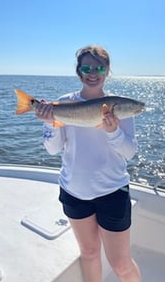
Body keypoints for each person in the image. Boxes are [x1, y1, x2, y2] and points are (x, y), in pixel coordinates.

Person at [35, 45, 141, 282]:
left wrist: (113, 132)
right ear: (79, 70)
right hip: (74, 191)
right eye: (87, 67)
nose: (93, 72)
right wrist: (50, 122)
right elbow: (52, 150)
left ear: (107, 71)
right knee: (90, 253)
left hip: (112, 192)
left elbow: (129, 152)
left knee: (121, 263)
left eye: (99, 67)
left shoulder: (120, 106)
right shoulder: (63, 103)